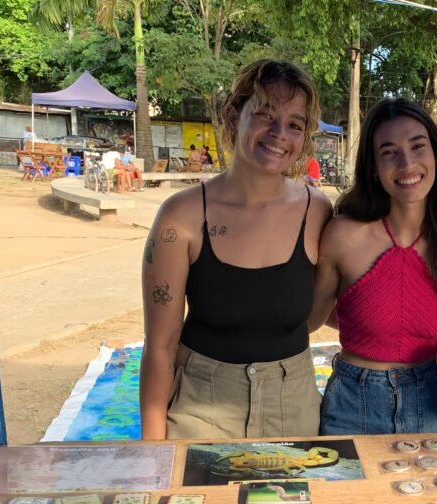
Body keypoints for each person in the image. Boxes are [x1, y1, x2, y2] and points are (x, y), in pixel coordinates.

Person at [140, 59, 332, 440]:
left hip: (292, 405)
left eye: (294, 124)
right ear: (233, 115)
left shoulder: (318, 212)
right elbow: (160, 347)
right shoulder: (181, 217)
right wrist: (152, 450)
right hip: (200, 409)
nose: (279, 134)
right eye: (265, 115)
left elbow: (322, 313)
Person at [309, 98, 437, 435]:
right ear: (373, 167)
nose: (407, 163)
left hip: (432, 405)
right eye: (388, 152)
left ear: (435, 155)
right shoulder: (343, 235)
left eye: (418, 146)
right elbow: (311, 320)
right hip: (352, 405)